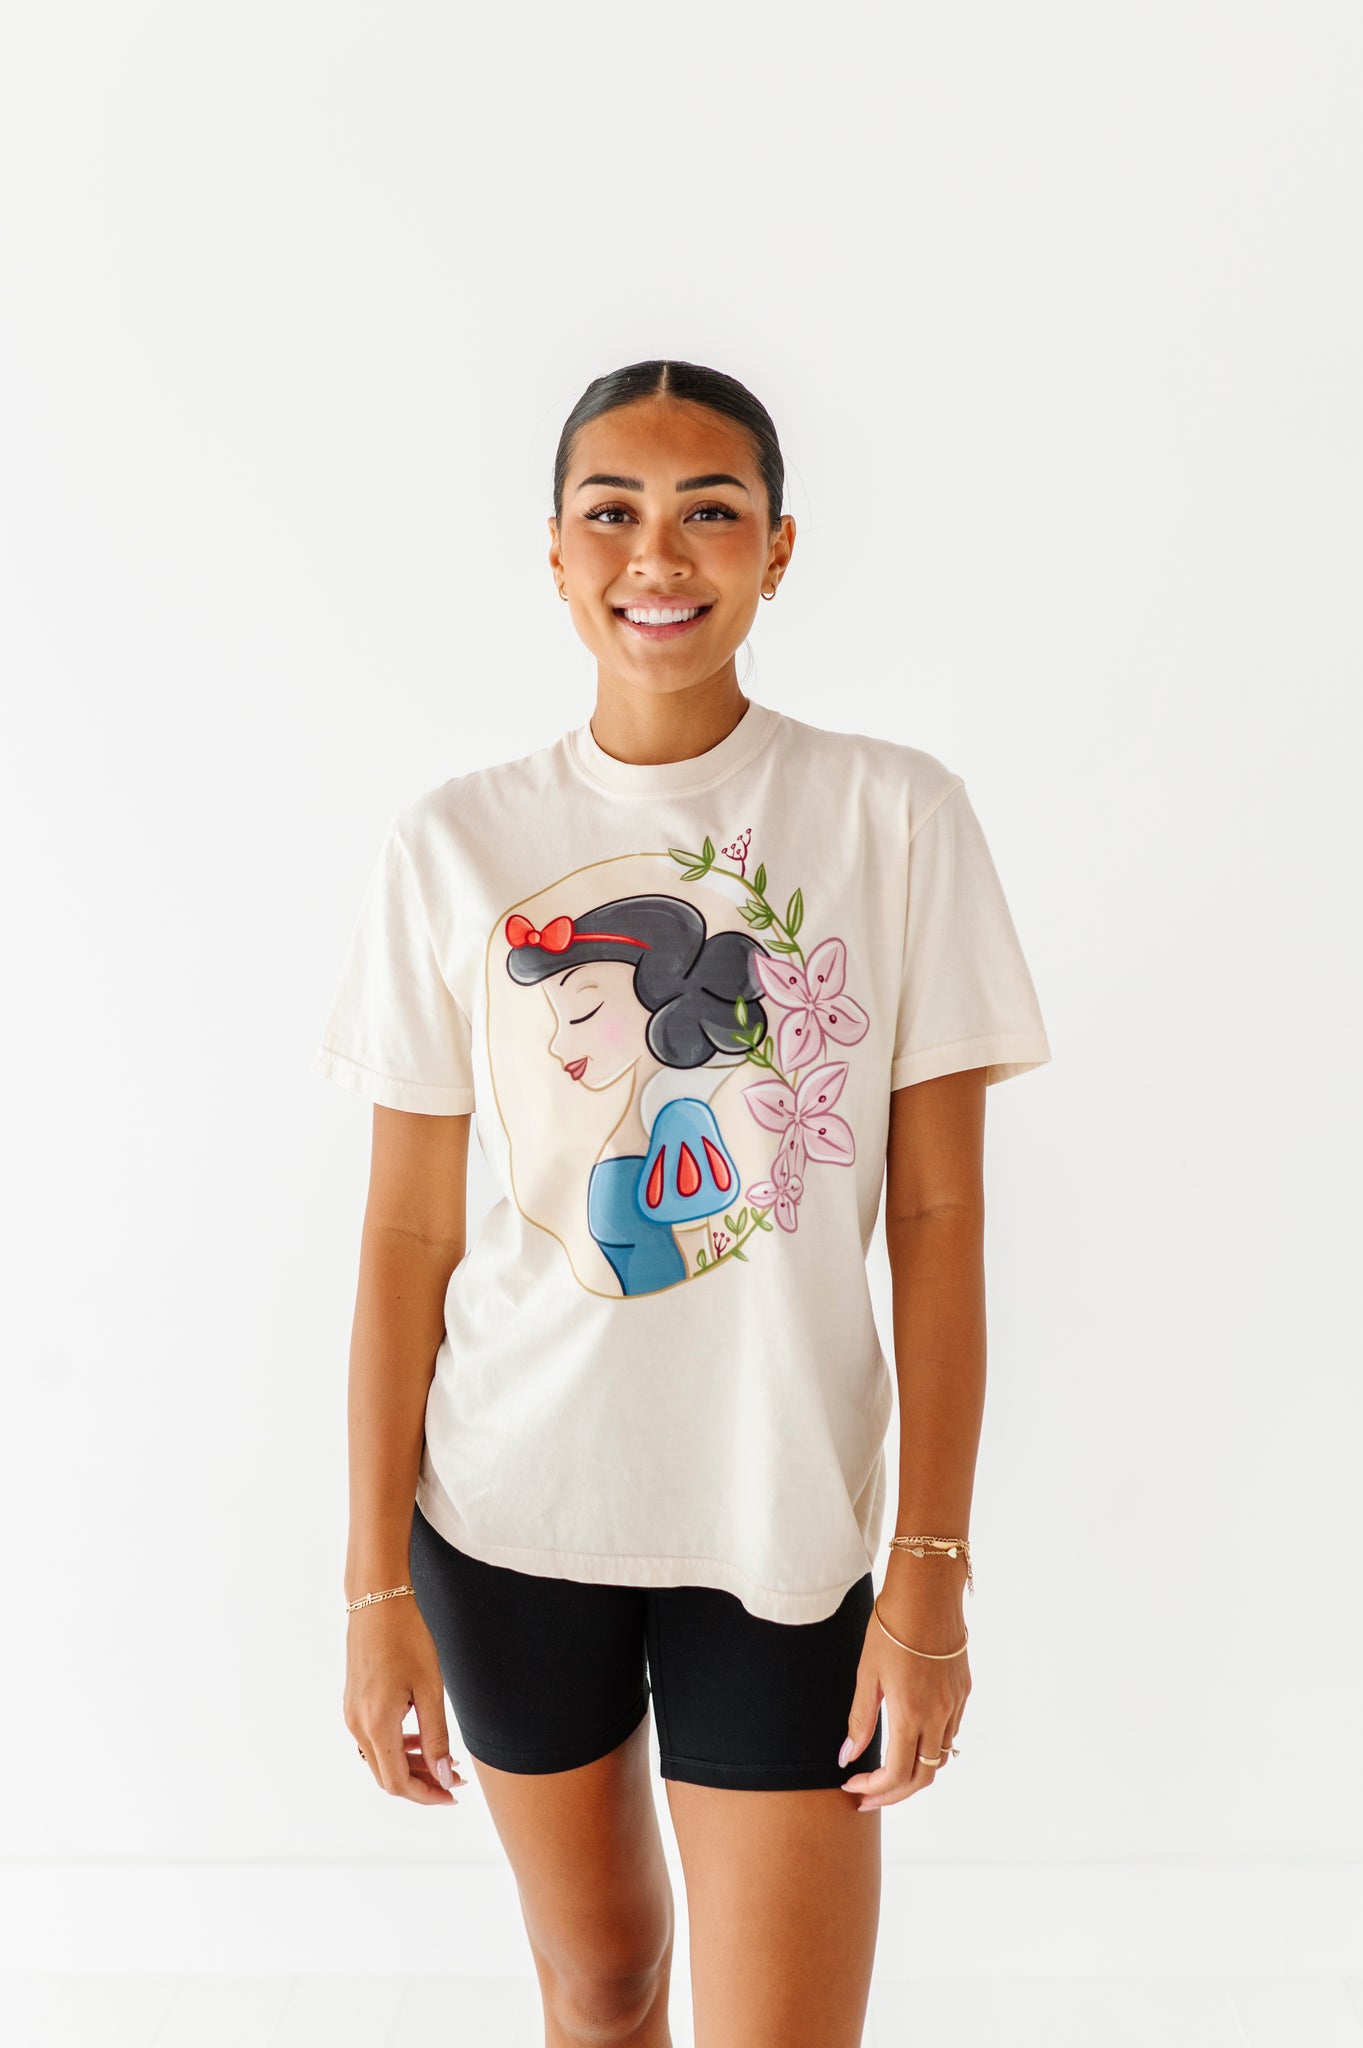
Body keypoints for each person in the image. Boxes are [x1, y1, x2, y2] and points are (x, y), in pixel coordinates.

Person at [311, 358, 1052, 2047]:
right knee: (601, 1986)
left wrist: (930, 1572)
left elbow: (939, 1223)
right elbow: (408, 1236)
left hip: (779, 1523)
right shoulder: (453, 841)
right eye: (613, 511)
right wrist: (370, 1590)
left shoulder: (895, 815)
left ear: (779, 549)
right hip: (505, 1515)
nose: (658, 553)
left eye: (711, 510)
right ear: (554, 552)